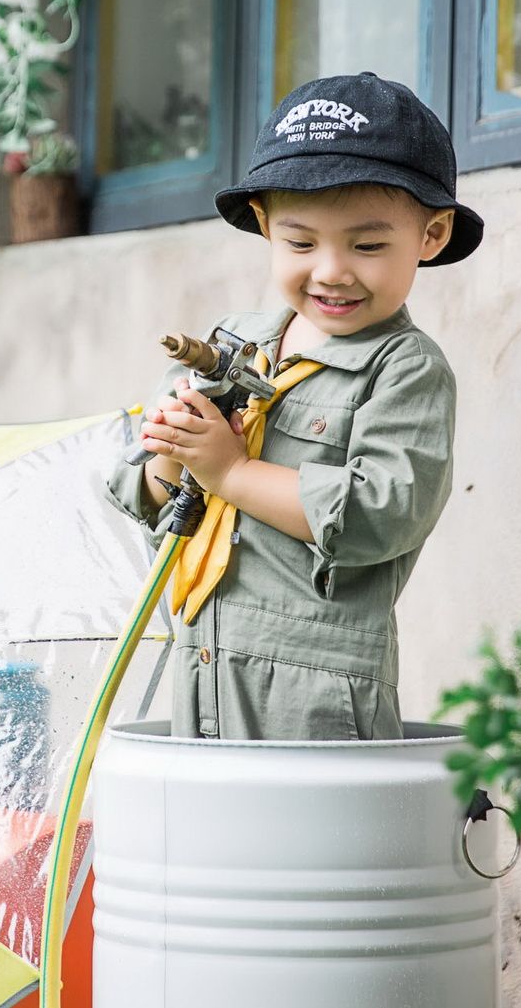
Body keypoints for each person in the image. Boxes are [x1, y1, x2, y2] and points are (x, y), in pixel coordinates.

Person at [103, 70, 483, 742]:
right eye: (301, 243)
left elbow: (380, 513)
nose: (331, 270)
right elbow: (148, 496)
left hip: (316, 685)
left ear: (432, 234)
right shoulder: (232, 341)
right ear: (263, 224)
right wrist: (174, 451)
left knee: (305, 816)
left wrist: (231, 472)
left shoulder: (404, 368)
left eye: (368, 245)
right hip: (202, 655)